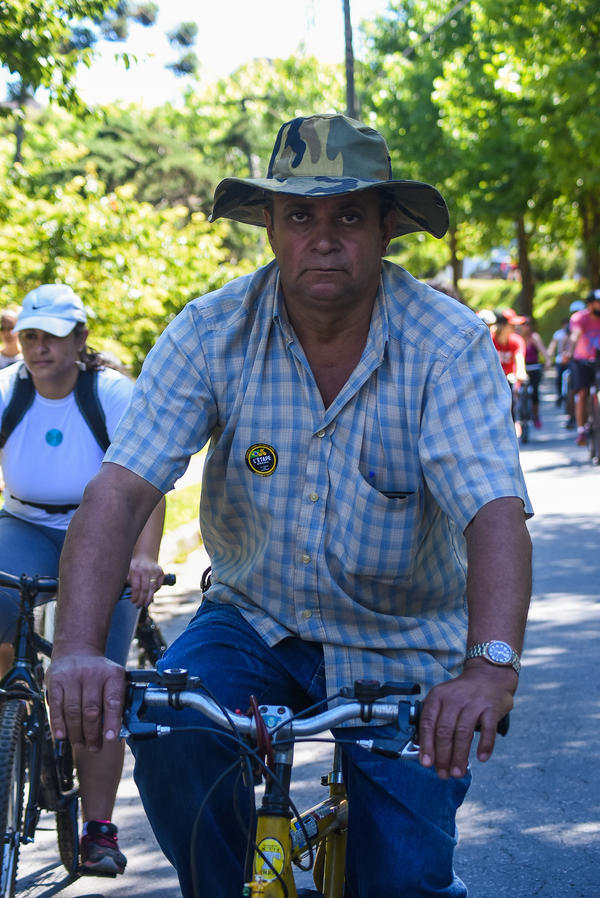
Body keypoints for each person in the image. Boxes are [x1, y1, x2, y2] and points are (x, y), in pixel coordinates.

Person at [47, 114, 532, 898]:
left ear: (385, 231)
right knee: (171, 730)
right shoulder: (210, 331)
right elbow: (121, 487)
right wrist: (75, 648)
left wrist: (488, 670)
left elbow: (495, 511)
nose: (325, 237)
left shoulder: (446, 344)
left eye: (349, 215)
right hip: (253, 618)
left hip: (403, 637)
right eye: (300, 215)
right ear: (269, 228)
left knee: (402, 879)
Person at [0, 283, 166, 876]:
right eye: (30, 336)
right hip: (22, 522)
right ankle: (9, 718)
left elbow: (148, 483)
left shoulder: (112, 394)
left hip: (101, 530)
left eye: (51, 336)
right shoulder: (8, 389)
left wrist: (143, 557)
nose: (39, 347)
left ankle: (99, 828)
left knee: (99, 678)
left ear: (80, 339)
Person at [568, 289, 600, 446]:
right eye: (598, 303)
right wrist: (569, 352)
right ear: (590, 304)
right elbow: (575, 335)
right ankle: (581, 430)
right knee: (583, 393)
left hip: (598, 360)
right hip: (583, 361)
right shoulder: (580, 318)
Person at [517, 317, 548, 428]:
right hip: (520, 368)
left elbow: (543, 351)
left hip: (533, 367)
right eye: (523, 324)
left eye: (528, 324)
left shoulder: (534, 337)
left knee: (534, 392)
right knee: (517, 391)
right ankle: (517, 416)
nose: (526, 327)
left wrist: (548, 361)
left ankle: (535, 415)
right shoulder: (517, 338)